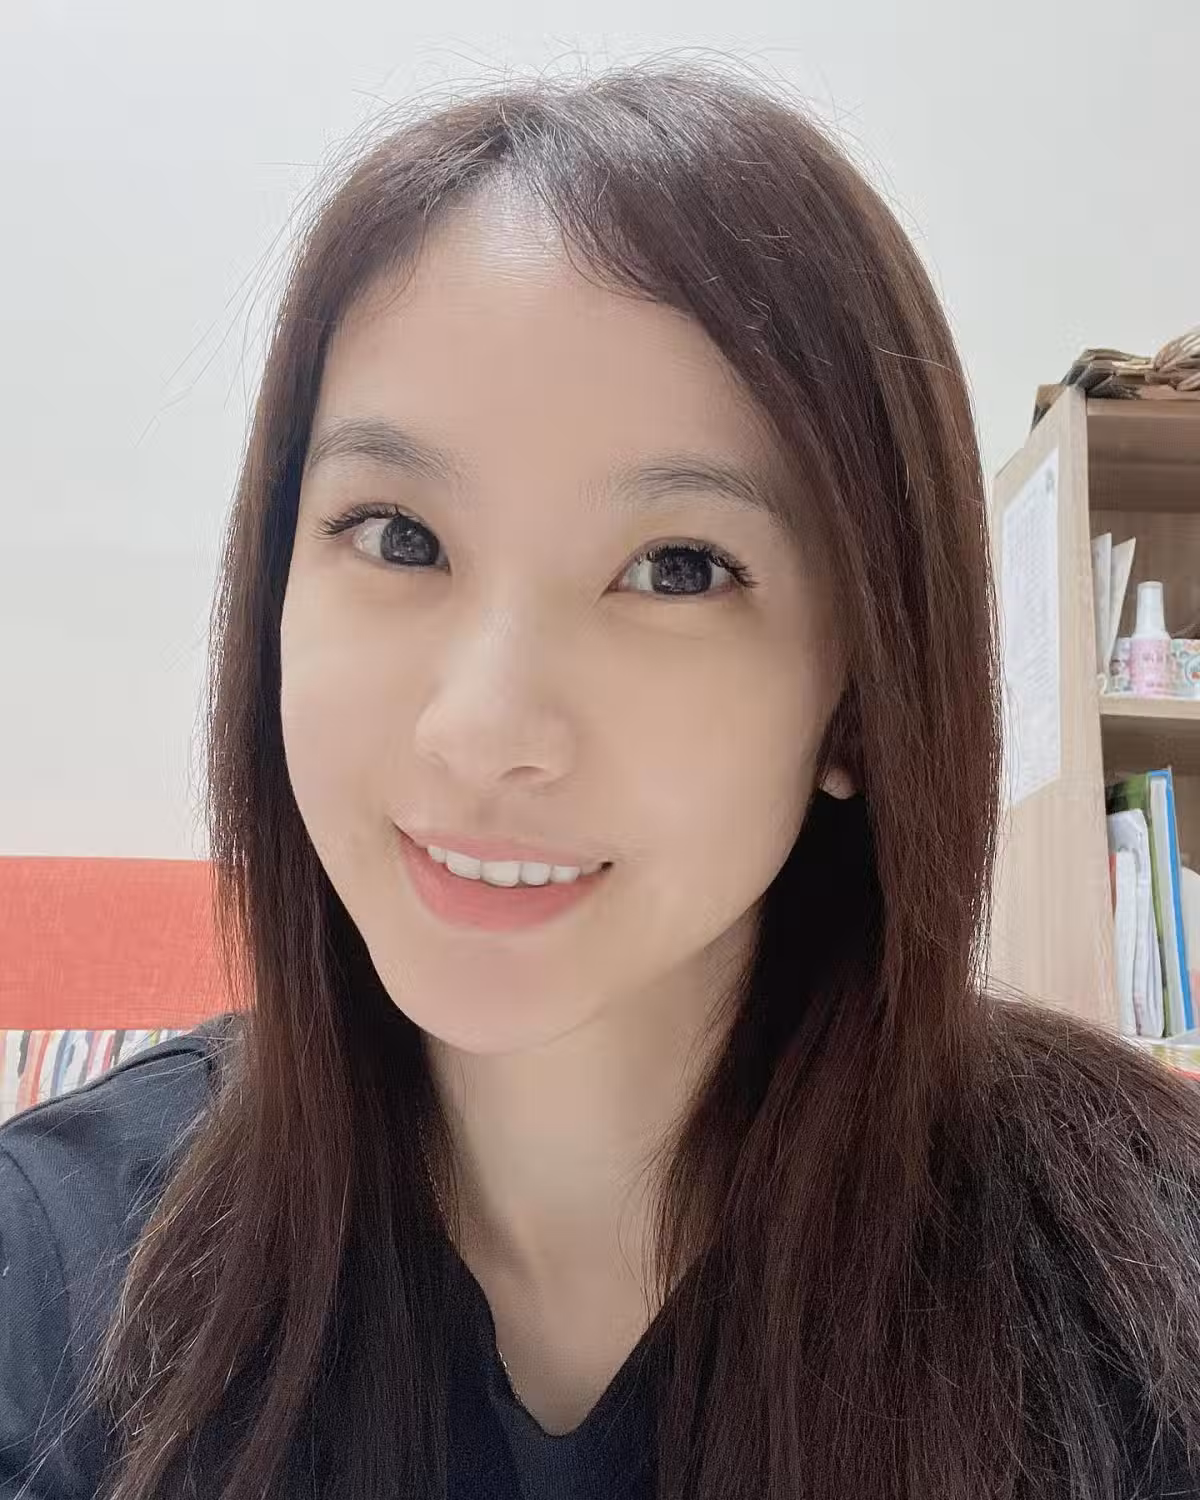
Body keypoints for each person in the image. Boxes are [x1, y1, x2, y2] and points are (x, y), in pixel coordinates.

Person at [2, 61, 1199, 1500]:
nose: (482, 728)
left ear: (858, 703)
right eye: (396, 536)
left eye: (678, 568)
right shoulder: (54, 1271)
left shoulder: (1139, 1288)